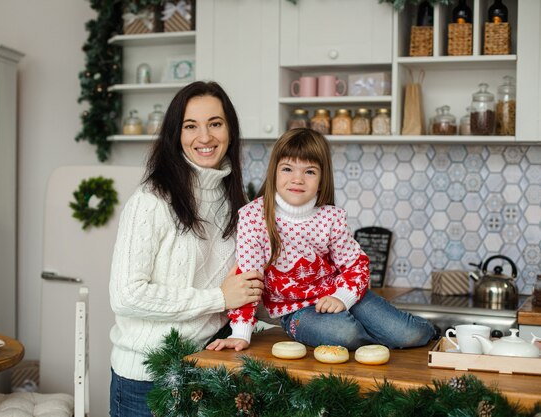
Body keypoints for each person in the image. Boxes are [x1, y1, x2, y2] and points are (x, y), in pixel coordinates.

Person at [109, 81, 264, 417]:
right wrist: (218, 299)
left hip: (209, 368)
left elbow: (244, 284)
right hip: (147, 379)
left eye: (215, 123)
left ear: (230, 131)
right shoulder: (151, 201)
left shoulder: (237, 202)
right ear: (175, 135)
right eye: (190, 126)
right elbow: (126, 295)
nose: (204, 137)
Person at [207, 128, 436, 352]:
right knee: (344, 334)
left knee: (409, 334)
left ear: (321, 177)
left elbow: (355, 264)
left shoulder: (331, 217)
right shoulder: (254, 217)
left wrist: (342, 297)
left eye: (309, 172)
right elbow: (248, 279)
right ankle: (378, 340)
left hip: (342, 293)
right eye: (287, 169)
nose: (297, 179)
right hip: (297, 311)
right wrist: (240, 332)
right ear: (274, 171)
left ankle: (430, 332)